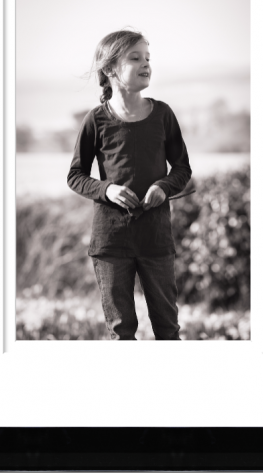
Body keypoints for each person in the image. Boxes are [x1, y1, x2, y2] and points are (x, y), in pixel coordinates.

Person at [67, 29, 192, 339]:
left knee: (167, 328)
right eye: (134, 58)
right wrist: (106, 189)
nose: (145, 63)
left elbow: (182, 168)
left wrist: (163, 187)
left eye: (147, 58)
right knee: (121, 332)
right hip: (111, 242)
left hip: (156, 240)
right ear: (110, 70)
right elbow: (76, 176)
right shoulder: (95, 120)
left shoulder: (163, 114)